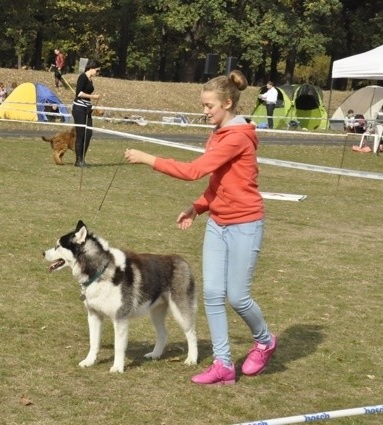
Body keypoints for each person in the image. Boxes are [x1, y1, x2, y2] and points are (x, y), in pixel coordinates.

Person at [124, 70, 276, 385]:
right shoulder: (218, 134)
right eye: (203, 105)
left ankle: (264, 340)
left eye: (209, 106)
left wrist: (147, 158)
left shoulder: (236, 136)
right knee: (212, 294)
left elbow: (194, 171)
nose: (204, 111)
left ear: (228, 103)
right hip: (218, 224)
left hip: (245, 224)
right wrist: (198, 207)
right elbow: (218, 183)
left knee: (237, 297)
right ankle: (223, 364)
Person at [72, 59, 102, 167]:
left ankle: (82, 159)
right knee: (81, 134)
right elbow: (79, 93)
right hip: (79, 108)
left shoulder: (90, 80)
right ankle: (78, 160)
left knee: (88, 133)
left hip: (87, 108)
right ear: (92, 68)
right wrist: (93, 97)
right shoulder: (82, 77)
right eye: (97, 71)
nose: (98, 73)